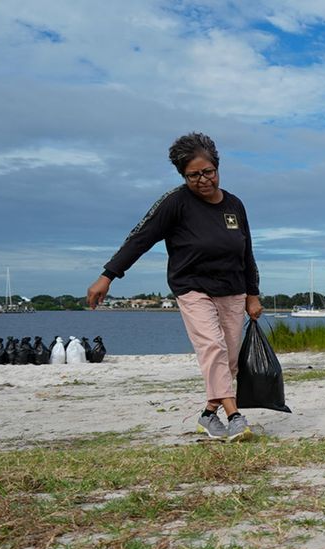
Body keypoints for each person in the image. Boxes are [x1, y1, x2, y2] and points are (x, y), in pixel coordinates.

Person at [87, 132, 264, 441]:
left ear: (217, 167)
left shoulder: (235, 205)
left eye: (208, 172)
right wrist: (108, 274)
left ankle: (209, 416)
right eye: (193, 175)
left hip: (233, 290)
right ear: (183, 175)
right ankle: (235, 416)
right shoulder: (175, 202)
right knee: (213, 347)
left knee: (229, 360)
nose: (203, 180)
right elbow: (140, 238)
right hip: (192, 288)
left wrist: (253, 294)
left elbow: (246, 252)